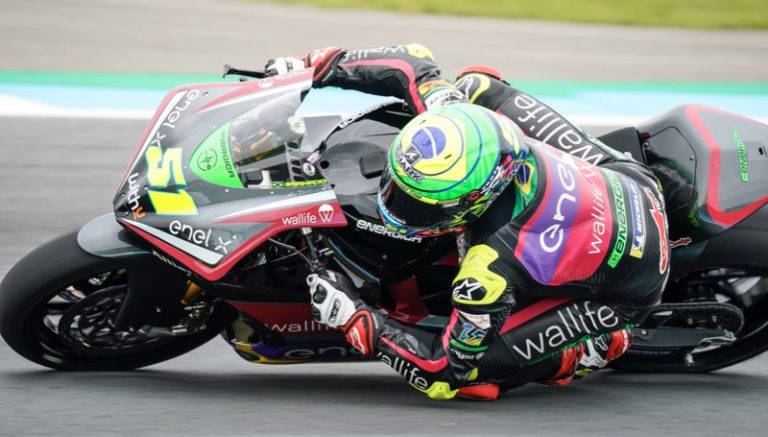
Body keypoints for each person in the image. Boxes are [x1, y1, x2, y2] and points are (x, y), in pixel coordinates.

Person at [265, 44, 669, 400]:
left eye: (420, 207)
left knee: (475, 379)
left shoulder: (487, 271)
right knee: (477, 83)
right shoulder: (453, 111)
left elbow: (443, 369)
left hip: (632, 282)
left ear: (474, 201)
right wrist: (310, 67)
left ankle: (584, 352)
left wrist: (359, 320)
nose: (397, 206)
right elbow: (411, 62)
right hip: (627, 178)